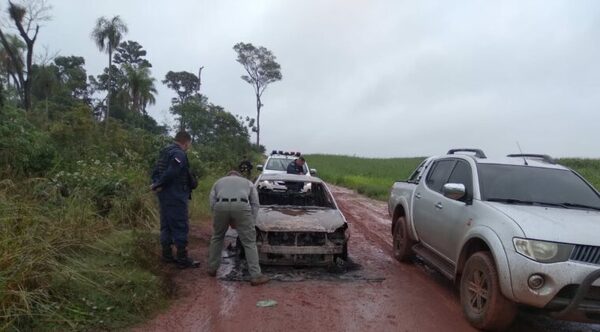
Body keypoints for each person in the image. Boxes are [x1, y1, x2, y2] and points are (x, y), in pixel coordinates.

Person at [207, 171, 270, 286]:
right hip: (241, 206)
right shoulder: (247, 182)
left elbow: (212, 201)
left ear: (228, 176)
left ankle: (212, 268)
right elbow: (255, 203)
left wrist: (218, 216)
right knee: (249, 242)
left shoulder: (218, 182)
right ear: (239, 176)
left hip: (220, 206)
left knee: (217, 237)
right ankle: (256, 275)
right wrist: (251, 220)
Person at [151, 131, 200, 269]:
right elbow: (172, 172)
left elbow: (156, 171)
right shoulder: (179, 154)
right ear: (186, 142)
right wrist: (158, 184)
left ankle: (167, 256)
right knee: (180, 226)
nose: (189, 147)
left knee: (166, 225)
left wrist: (156, 184)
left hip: (164, 195)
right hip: (176, 195)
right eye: (189, 144)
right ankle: (182, 259)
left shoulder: (165, 152)